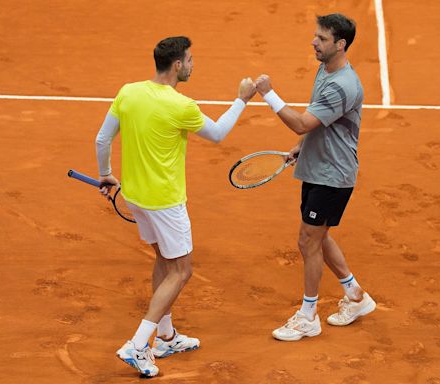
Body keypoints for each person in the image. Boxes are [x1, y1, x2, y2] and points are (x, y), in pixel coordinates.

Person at [95, 36, 256, 377]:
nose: (194, 64)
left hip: (135, 196)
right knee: (182, 270)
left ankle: (165, 337)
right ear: (178, 65)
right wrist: (241, 100)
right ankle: (138, 345)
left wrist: (106, 174)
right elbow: (218, 134)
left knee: (164, 260)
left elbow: (102, 139)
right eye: (191, 59)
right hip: (165, 201)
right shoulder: (181, 106)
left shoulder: (128, 91)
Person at [255, 13, 376, 341]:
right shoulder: (327, 69)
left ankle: (309, 315)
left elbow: (301, 122)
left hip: (332, 176)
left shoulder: (342, 85)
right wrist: (301, 147)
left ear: (340, 44)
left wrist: (268, 93)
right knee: (317, 237)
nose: (313, 42)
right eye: (315, 36)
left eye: (321, 38)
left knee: (308, 240)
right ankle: (356, 296)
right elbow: (316, 124)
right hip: (319, 166)